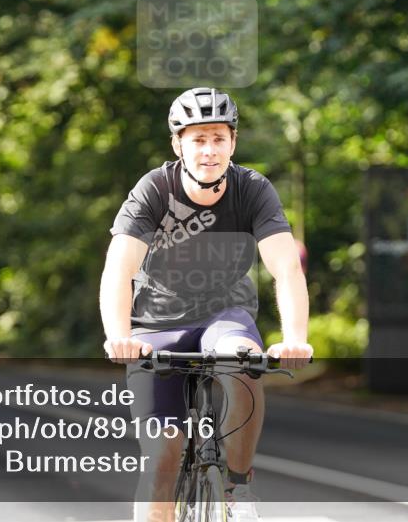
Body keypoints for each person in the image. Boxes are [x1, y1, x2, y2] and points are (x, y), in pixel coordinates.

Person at [100, 87, 313, 522]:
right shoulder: (154, 190)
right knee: (163, 454)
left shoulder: (252, 189)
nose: (209, 150)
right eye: (198, 139)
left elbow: (287, 269)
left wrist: (295, 338)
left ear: (233, 142)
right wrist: (119, 337)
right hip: (156, 324)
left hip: (224, 315)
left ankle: (237, 487)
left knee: (244, 360)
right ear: (178, 145)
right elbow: (118, 271)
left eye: (218, 138)